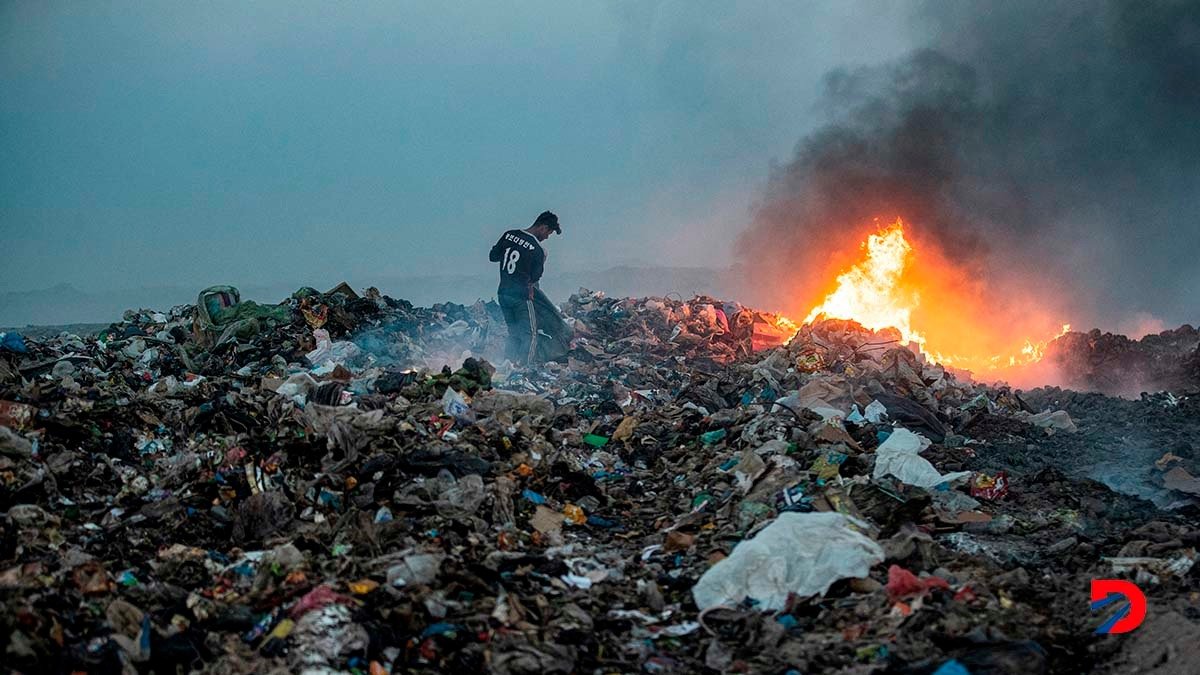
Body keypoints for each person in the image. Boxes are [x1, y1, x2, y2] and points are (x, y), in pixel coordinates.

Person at [489, 211, 561, 363]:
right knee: (530, 334)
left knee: (513, 332)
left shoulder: (509, 235)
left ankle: (507, 364)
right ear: (543, 227)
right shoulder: (538, 250)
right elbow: (534, 278)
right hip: (521, 297)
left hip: (502, 293)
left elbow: (493, 257)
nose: (547, 237)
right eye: (549, 233)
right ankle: (523, 369)